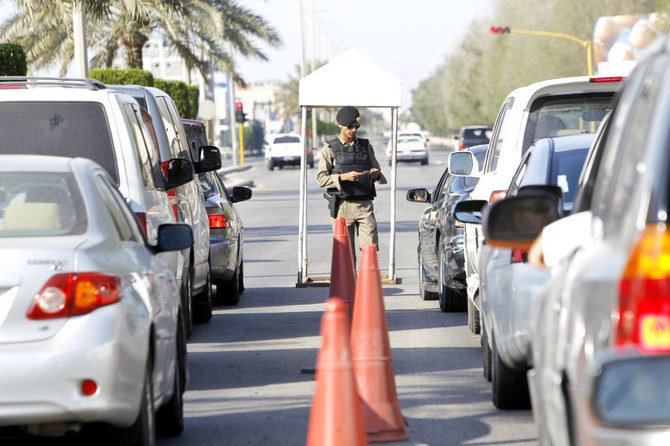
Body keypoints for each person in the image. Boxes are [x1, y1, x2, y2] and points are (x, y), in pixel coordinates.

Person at [317, 106, 387, 262]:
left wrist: (375, 174)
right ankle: (349, 286)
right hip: (342, 207)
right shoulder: (329, 149)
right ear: (339, 124)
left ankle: (366, 285)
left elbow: (378, 173)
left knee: (370, 250)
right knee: (345, 255)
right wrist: (343, 177)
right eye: (349, 126)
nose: (353, 130)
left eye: (356, 127)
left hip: (365, 206)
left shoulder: (365, 146)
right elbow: (321, 179)